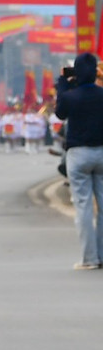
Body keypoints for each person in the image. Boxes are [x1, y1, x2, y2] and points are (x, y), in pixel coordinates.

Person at [56, 55, 103, 270]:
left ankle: (89, 259)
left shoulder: (70, 96)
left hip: (78, 154)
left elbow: (60, 113)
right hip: (101, 152)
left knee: (83, 207)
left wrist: (63, 85)